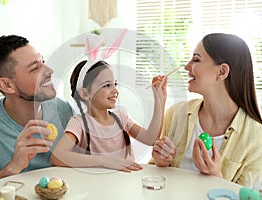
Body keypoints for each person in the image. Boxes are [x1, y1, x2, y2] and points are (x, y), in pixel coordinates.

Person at [150, 33, 262, 185]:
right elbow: (153, 177)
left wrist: (216, 177)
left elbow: (249, 195)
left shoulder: (256, 137)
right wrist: (160, 163)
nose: (186, 67)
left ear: (222, 72)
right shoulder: (176, 114)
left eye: (196, 59)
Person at [0, 35, 74, 183]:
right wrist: (14, 166)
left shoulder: (64, 109)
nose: (49, 70)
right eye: (35, 68)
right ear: (7, 85)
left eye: (44, 62)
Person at [50, 57, 167, 172]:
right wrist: (106, 161)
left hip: (126, 184)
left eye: (115, 84)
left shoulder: (121, 116)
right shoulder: (79, 123)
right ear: (85, 94)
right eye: (107, 85)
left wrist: (159, 99)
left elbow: (151, 139)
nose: (115, 90)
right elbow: (57, 156)